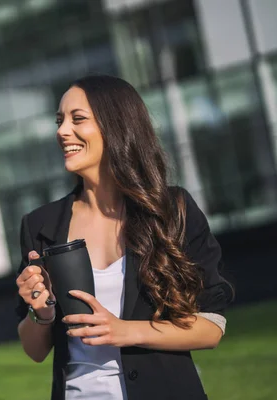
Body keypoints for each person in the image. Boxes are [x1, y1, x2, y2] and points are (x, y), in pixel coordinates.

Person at [15, 75, 234, 400]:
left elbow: (211, 326)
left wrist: (125, 331)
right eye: (59, 121)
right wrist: (42, 312)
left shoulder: (171, 210)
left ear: (115, 125)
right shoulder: (40, 225)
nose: (61, 131)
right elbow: (35, 350)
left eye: (77, 119)